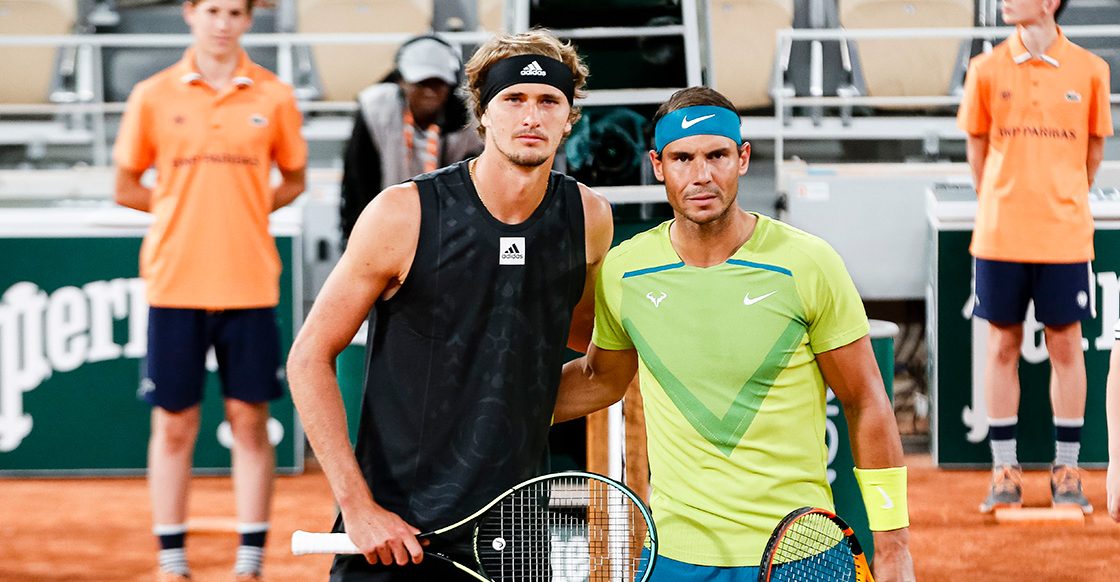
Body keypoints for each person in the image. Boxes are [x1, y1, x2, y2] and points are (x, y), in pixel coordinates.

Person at [286, 29, 613, 581]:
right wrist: (358, 508)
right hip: (397, 532)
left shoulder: (587, 218)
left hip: (515, 532)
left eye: (548, 101)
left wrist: (501, 410)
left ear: (568, 118)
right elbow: (308, 356)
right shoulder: (402, 214)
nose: (531, 116)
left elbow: (593, 353)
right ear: (482, 113)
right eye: (514, 98)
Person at [552, 86, 916, 581]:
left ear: (742, 158)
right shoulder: (625, 271)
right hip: (675, 557)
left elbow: (865, 399)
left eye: (717, 155)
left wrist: (893, 546)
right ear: (658, 165)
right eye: (682, 158)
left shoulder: (808, 263)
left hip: (800, 553)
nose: (701, 175)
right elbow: (601, 378)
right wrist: (487, 410)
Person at [112, 0, 307, 580]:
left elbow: (295, 177)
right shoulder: (152, 95)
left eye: (234, 12)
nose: (222, 22)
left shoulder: (274, 95)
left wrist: (244, 209)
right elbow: (125, 184)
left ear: (248, 20)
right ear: (190, 14)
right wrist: (183, 209)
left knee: (249, 421)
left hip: (250, 283)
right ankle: (172, 560)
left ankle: (250, 561)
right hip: (175, 282)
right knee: (173, 424)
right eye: (212, 9)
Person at [957, 0, 1112, 514]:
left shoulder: (1091, 70)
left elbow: (1092, 154)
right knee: (1002, 345)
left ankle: (1067, 472)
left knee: (1066, 346)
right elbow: (977, 149)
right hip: (1000, 236)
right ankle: (1004, 472)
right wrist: (1002, 202)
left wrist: (1059, 198)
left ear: (1049, 2)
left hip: (1065, 236)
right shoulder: (985, 69)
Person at [338, 34, 483, 247]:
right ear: (401, 81)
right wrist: (354, 238)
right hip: (384, 222)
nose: (429, 92)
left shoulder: (467, 120)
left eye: (439, 83)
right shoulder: (376, 108)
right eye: (421, 83)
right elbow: (358, 179)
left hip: (449, 229)